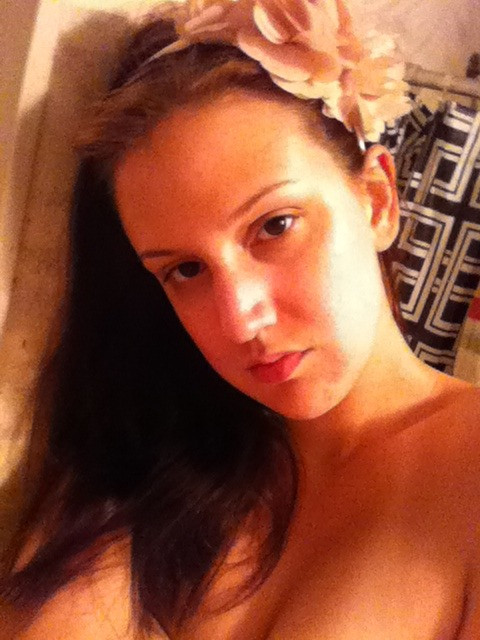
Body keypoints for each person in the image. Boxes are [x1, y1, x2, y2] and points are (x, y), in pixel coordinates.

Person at [2, 0, 480, 638]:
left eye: (275, 226)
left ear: (376, 201)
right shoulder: (158, 461)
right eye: (185, 270)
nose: (239, 320)